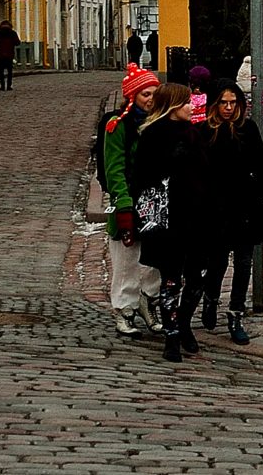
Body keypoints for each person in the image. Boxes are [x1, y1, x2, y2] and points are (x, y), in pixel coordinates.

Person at [131, 83, 210, 360]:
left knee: (198, 276)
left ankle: (184, 323)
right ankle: (172, 334)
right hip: (168, 220)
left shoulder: (195, 134)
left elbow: (206, 173)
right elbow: (141, 179)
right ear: (173, 105)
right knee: (171, 279)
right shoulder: (153, 135)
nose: (191, 106)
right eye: (186, 102)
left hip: (196, 216)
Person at [194, 85, 263, 343]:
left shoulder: (248, 129)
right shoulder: (205, 131)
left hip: (246, 206)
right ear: (215, 104)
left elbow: (260, 167)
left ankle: (236, 313)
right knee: (217, 261)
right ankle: (211, 298)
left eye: (233, 102)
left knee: (243, 263)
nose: (229, 108)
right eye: (223, 103)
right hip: (217, 208)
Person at [101, 65, 167, 337]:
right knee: (126, 262)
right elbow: (114, 169)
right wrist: (123, 204)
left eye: (153, 94)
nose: (150, 99)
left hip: (154, 202)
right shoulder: (117, 126)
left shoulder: (160, 123)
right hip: (128, 199)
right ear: (132, 96)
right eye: (145, 94)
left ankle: (148, 301)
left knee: (154, 261)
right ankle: (124, 309)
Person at [0, 21, 20, 91]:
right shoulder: (12, 33)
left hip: (0, 55)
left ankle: (2, 86)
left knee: (1, 71)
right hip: (10, 54)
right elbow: (17, 43)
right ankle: (9, 86)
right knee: (9, 71)